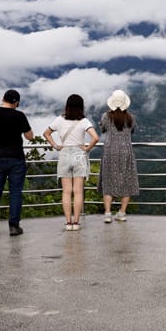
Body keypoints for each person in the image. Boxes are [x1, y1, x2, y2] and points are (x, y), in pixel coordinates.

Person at [0, 89, 38, 237]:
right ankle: (14, 226)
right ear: (16, 102)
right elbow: (30, 136)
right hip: (16, 158)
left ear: (3, 99)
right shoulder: (19, 116)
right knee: (15, 193)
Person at [43, 94, 99, 231]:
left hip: (64, 154)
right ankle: (76, 223)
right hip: (79, 154)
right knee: (78, 191)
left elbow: (46, 133)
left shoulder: (59, 120)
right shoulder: (84, 121)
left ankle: (68, 223)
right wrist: (87, 148)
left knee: (66, 191)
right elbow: (96, 138)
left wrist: (56, 146)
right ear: (81, 106)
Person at [98, 89, 140, 223]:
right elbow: (132, 130)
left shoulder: (106, 116)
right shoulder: (131, 118)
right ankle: (122, 212)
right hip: (126, 151)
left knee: (108, 180)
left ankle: (108, 213)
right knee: (127, 181)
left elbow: (103, 129)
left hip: (110, 151)